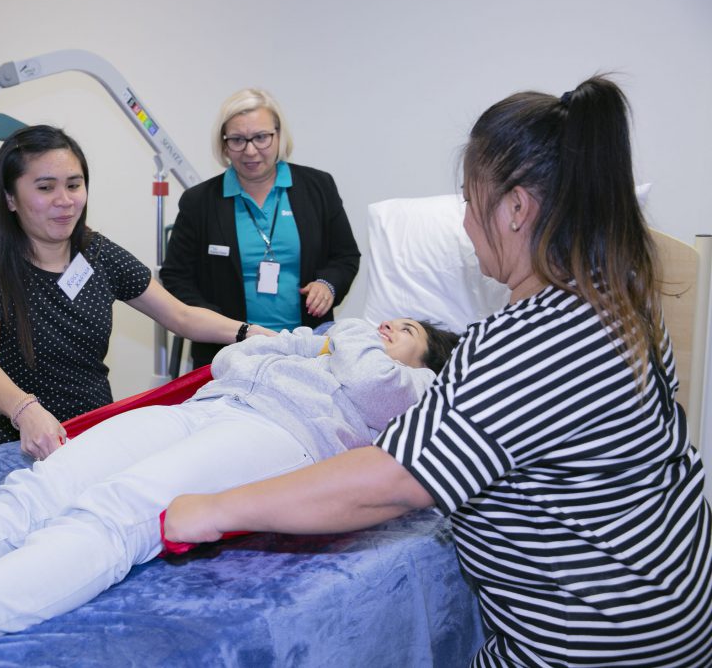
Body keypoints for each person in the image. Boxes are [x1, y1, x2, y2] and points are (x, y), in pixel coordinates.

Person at [166, 76, 712, 666]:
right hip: (678, 610)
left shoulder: (529, 342)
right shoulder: (623, 300)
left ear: (516, 209)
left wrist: (216, 508)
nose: (464, 225)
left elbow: (390, 483)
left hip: (592, 646)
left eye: (470, 203)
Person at [0, 316, 461, 651]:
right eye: (387, 320)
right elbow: (232, 359)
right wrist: (315, 344)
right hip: (209, 406)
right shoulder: (333, 347)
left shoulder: (416, 384)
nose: (386, 326)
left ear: (427, 356)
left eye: (405, 330)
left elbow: (369, 380)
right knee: (38, 490)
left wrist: (349, 335)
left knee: (118, 513)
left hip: (277, 433)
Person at [0, 125, 276, 453]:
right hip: (20, 447)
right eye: (46, 187)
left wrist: (249, 333)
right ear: (10, 198)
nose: (64, 201)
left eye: (74, 185)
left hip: (95, 436)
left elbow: (179, 315)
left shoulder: (97, 252)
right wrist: (25, 411)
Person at [159, 88, 361, 369]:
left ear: (279, 136)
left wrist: (328, 284)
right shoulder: (200, 202)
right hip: (228, 353)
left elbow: (346, 256)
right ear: (224, 143)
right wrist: (219, 324)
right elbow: (176, 277)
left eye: (261, 138)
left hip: (308, 347)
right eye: (238, 140)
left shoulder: (317, 187)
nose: (250, 150)